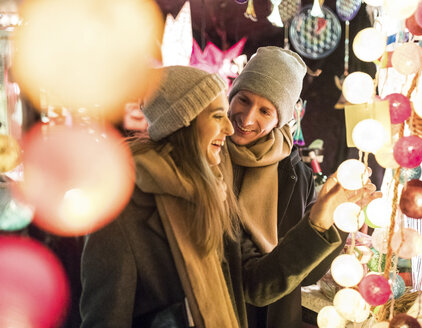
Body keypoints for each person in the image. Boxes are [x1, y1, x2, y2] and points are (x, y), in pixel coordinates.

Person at [79, 65, 363, 328]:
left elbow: (254, 285)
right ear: (184, 124)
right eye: (218, 116)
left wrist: (318, 221)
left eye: (266, 111)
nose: (230, 127)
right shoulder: (120, 209)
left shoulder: (214, 193)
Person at [226, 46, 375, 328]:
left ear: (282, 116)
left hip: (277, 316)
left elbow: (306, 275)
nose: (246, 118)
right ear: (231, 97)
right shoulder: (209, 160)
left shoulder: (295, 174)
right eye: (243, 100)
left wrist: (338, 218)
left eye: (265, 110)